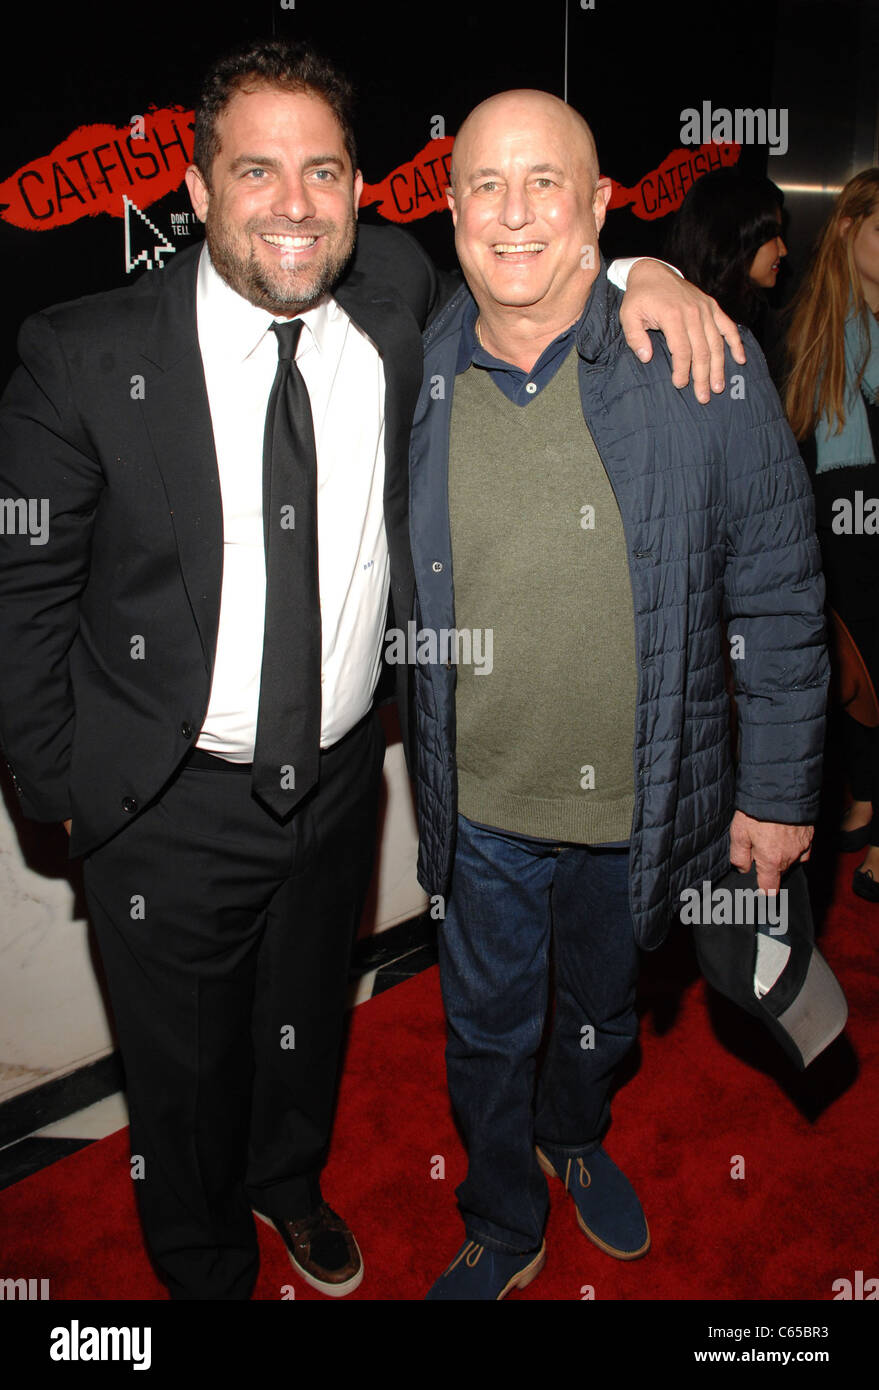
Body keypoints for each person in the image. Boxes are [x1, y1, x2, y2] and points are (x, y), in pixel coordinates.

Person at [0, 39, 742, 1301]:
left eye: (324, 171)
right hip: (168, 803)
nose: (293, 204)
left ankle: (290, 1187)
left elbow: (535, 258)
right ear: (194, 190)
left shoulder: (394, 289)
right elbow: (22, 595)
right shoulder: (85, 355)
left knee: (308, 1025)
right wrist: (58, 783)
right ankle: (204, 1258)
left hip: (341, 783)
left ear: (361, 191)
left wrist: (641, 267)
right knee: (180, 1075)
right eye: (256, 171)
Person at [407, 89, 828, 1300]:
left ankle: (576, 1138)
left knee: (602, 1016)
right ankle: (502, 1216)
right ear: (451, 211)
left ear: (600, 205)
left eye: (548, 182)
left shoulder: (703, 360)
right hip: (479, 804)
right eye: (486, 183)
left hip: (638, 810)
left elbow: (784, 591)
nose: (515, 211)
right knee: (484, 1032)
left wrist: (779, 789)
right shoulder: (417, 366)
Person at [785, 168, 879, 904]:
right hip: (830, 513)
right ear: (847, 231)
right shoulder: (812, 321)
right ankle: (865, 793)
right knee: (848, 666)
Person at [664, 167, 787, 377]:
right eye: (772, 235)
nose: (783, 250)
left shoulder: (747, 317)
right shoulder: (686, 324)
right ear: (735, 237)